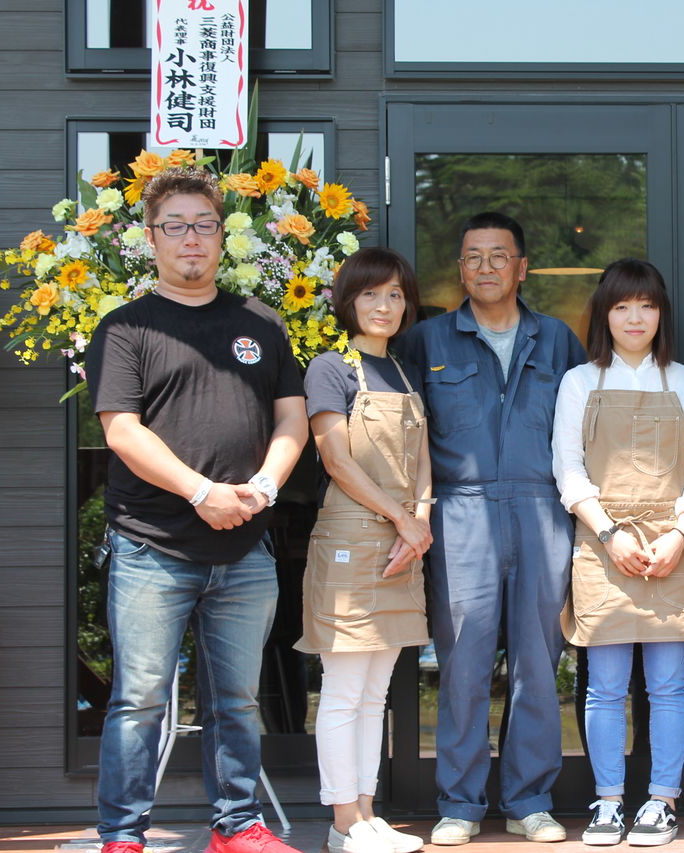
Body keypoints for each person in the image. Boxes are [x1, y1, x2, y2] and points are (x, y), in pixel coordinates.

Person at [84, 168, 308, 853]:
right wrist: (202, 492)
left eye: (204, 225)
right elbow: (122, 431)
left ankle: (237, 826)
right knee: (139, 700)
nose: (191, 238)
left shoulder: (260, 322)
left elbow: (292, 419)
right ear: (151, 238)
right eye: (175, 226)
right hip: (151, 545)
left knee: (236, 700)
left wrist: (263, 488)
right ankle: (123, 834)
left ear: (221, 235)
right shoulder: (125, 328)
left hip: (245, 548)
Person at [398, 211, 587, 845]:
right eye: (473, 257)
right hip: (460, 513)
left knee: (538, 663)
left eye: (498, 256)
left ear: (521, 267)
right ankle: (460, 803)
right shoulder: (426, 342)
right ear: (460, 269)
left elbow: (585, 431)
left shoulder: (557, 340)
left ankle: (529, 800)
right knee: (464, 665)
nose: (486, 267)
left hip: (542, 510)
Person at [551, 259, 684, 847]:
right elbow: (568, 469)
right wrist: (609, 533)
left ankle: (662, 801)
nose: (635, 317)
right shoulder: (579, 381)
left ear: (661, 313)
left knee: (668, 684)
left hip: (672, 542)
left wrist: (681, 533)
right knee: (605, 685)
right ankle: (609, 801)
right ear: (605, 314)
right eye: (622, 306)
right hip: (603, 543)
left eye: (646, 305)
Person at [296, 248, 433, 853]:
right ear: (348, 301)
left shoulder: (403, 371)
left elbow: (423, 460)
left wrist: (421, 519)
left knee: (376, 693)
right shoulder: (330, 369)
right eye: (371, 294)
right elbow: (336, 460)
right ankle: (343, 821)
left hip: (404, 541)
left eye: (395, 295)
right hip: (353, 538)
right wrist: (404, 519)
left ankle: (368, 814)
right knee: (345, 689)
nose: (384, 306)